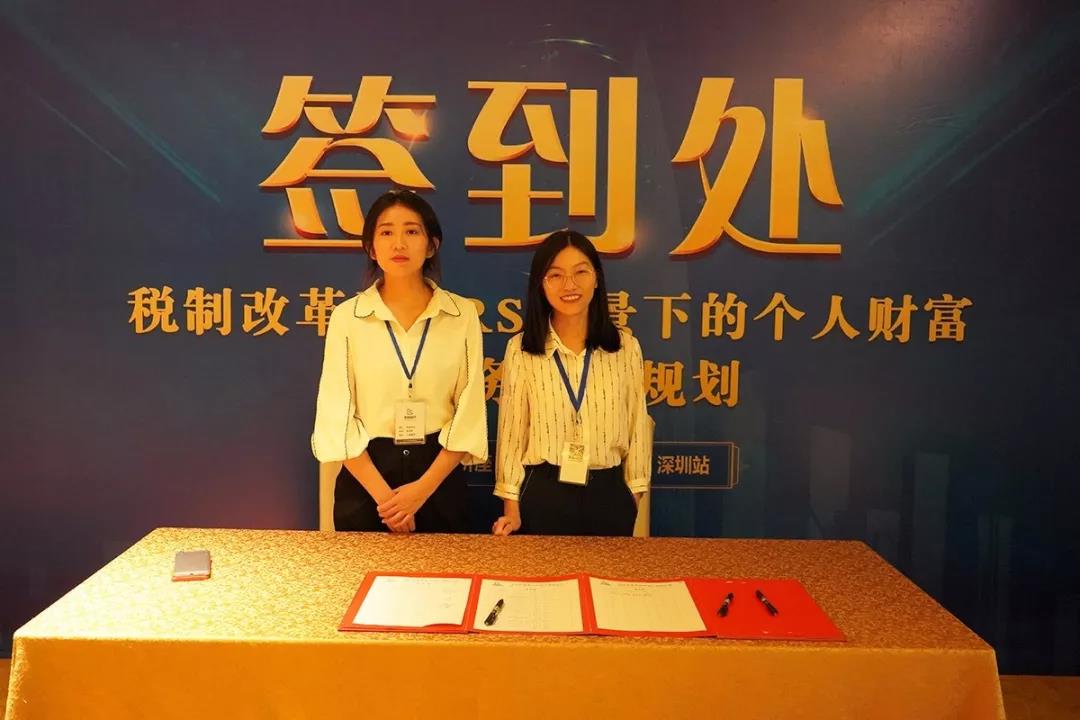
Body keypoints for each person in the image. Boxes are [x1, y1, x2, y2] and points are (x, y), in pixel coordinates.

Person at [312, 189, 487, 533]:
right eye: (386, 232)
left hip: (437, 482)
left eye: (411, 231)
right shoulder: (348, 317)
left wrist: (420, 492)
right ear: (371, 248)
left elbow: (469, 412)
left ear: (431, 245)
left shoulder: (461, 314)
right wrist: (388, 502)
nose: (399, 243)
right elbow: (336, 415)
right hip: (367, 485)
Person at [492, 230, 651, 536]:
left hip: (609, 492)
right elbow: (512, 432)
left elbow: (637, 428)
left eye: (580, 272)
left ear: (597, 278)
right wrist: (511, 507)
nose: (569, 285)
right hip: (544, 493)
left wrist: (633, 496)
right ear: (541, 284)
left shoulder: (625, 347)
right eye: (556, 275)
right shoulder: (521, 349)